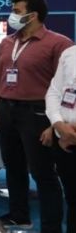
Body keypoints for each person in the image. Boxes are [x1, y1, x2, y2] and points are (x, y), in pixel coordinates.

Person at [0, 0, 73, 232]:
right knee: (13, 166)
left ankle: (51, 226)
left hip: (38, 113)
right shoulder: (7, 42)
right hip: (6, 110)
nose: (11, 15)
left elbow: (65, 87)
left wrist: (54, 124)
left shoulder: (59, 43)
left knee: (43, 173)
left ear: (33, 15)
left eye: (16, 11)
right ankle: (19, 215)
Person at [45, 45, 76, 233]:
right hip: (63, 140)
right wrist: (58, 124)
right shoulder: (70, 53)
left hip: (69, 138)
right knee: (72, 200)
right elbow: (54, 92)